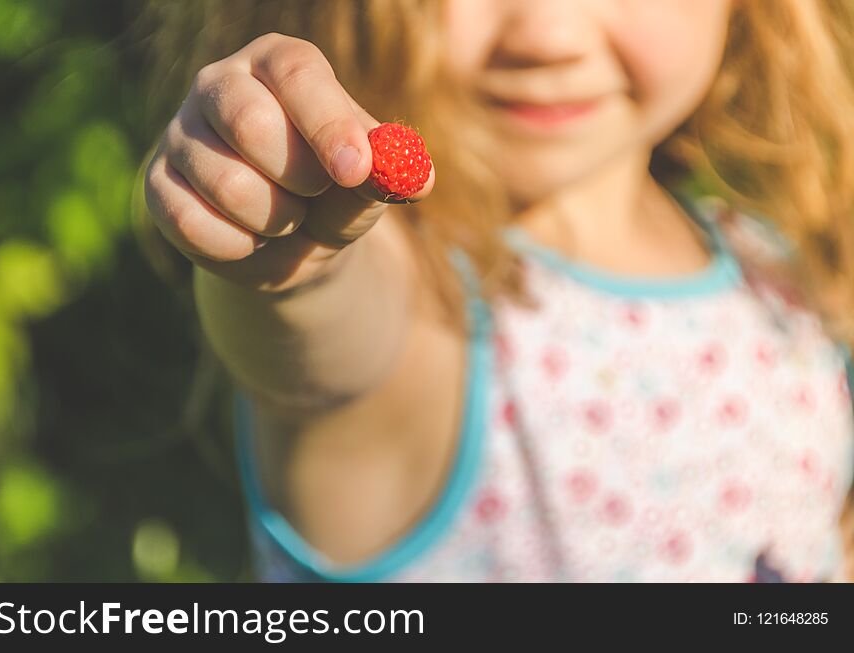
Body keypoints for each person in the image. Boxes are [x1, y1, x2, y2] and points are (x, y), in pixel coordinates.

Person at [143, 0, 854, 582]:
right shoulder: (421, 296)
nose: (547, 33)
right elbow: (322, 337)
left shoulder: (773, 268)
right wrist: (290, 252)